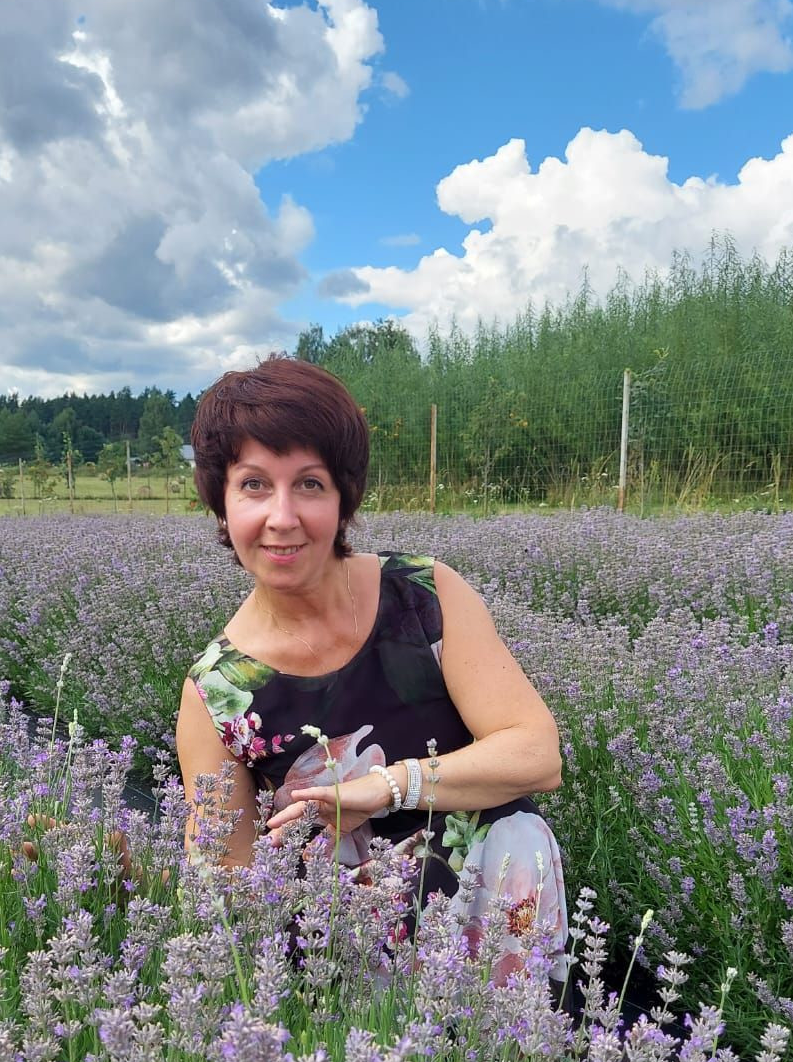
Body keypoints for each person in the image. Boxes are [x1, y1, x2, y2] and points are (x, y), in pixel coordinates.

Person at [176, 356, 568, 987]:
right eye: (253, 485)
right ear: (220, 502)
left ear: (343, 497)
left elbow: (537, 753)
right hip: (356, 967)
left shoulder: (424, 594)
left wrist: (384, 787)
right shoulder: (216, 694)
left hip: (499, 913)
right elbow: (229, 884)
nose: (282, 517)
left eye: (309, 483)